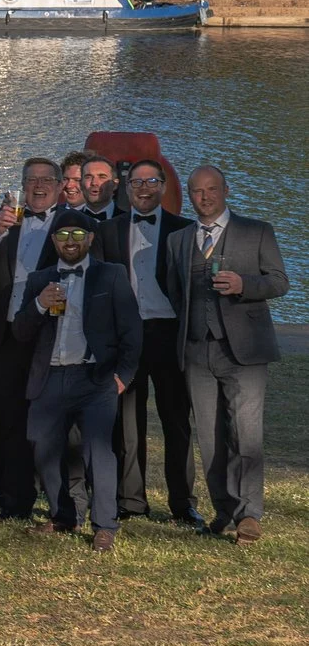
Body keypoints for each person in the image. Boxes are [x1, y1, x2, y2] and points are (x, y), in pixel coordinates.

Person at [12, 211, 140, 551]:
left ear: (90, 239)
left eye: (78, 235)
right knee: (42, 445)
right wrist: (39, 305)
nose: (70, 241)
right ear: (54, 240)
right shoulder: (40, 279)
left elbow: (131, 330)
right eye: (64, 234)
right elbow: (20, 332)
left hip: (95, 377)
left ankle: (105, 525)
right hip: (50, 377)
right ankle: (64, 515)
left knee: (98, 450)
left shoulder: (111, 275)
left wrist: (123, 376)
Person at [182, 165, 288, 545]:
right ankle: (223, 510)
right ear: (189, 195)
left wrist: (245, 284)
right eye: (196, 191)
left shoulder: (256, 231)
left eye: (212, 189)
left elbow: (279, 281)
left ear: (226, 190)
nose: (205, 197)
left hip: (245, 351)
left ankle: (249, 515)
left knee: (246, 434)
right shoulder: (179, 240)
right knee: (210, 437)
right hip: (197, 352)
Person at [97, 159, 197, 524]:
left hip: (168, 334)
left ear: (164, 186)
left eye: (151, 181)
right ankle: (131, 500)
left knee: (176, 419)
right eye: (136, 182)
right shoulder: (108, 231)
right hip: (127, 336)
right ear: (125, 188)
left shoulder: (184, 230)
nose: (143, 188)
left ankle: (183, 503)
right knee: (127, 423)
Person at [0, 158, 64, 522]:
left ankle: (61, 502)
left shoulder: (73, 223)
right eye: (30, 180)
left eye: (45, 180)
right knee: (6, 417)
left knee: (49, 423)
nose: (37, 186)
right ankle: (15, 499)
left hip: (47, 335)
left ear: (58, 186)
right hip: (5, 334)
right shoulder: (7, 218)